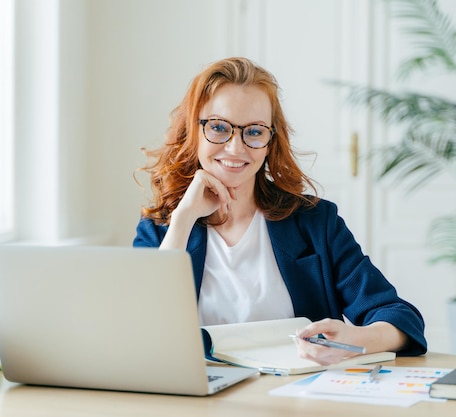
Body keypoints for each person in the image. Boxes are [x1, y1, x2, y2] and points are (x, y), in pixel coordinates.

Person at [133, 57, 427, 365]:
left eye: (255, 132)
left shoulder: (315, 223)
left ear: (272, 141)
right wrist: (183, 218)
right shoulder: (162, 227)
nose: (235, 148)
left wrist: (357, 339)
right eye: (219, 127)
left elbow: (401, 319)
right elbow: (136, 328)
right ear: (193, 131)